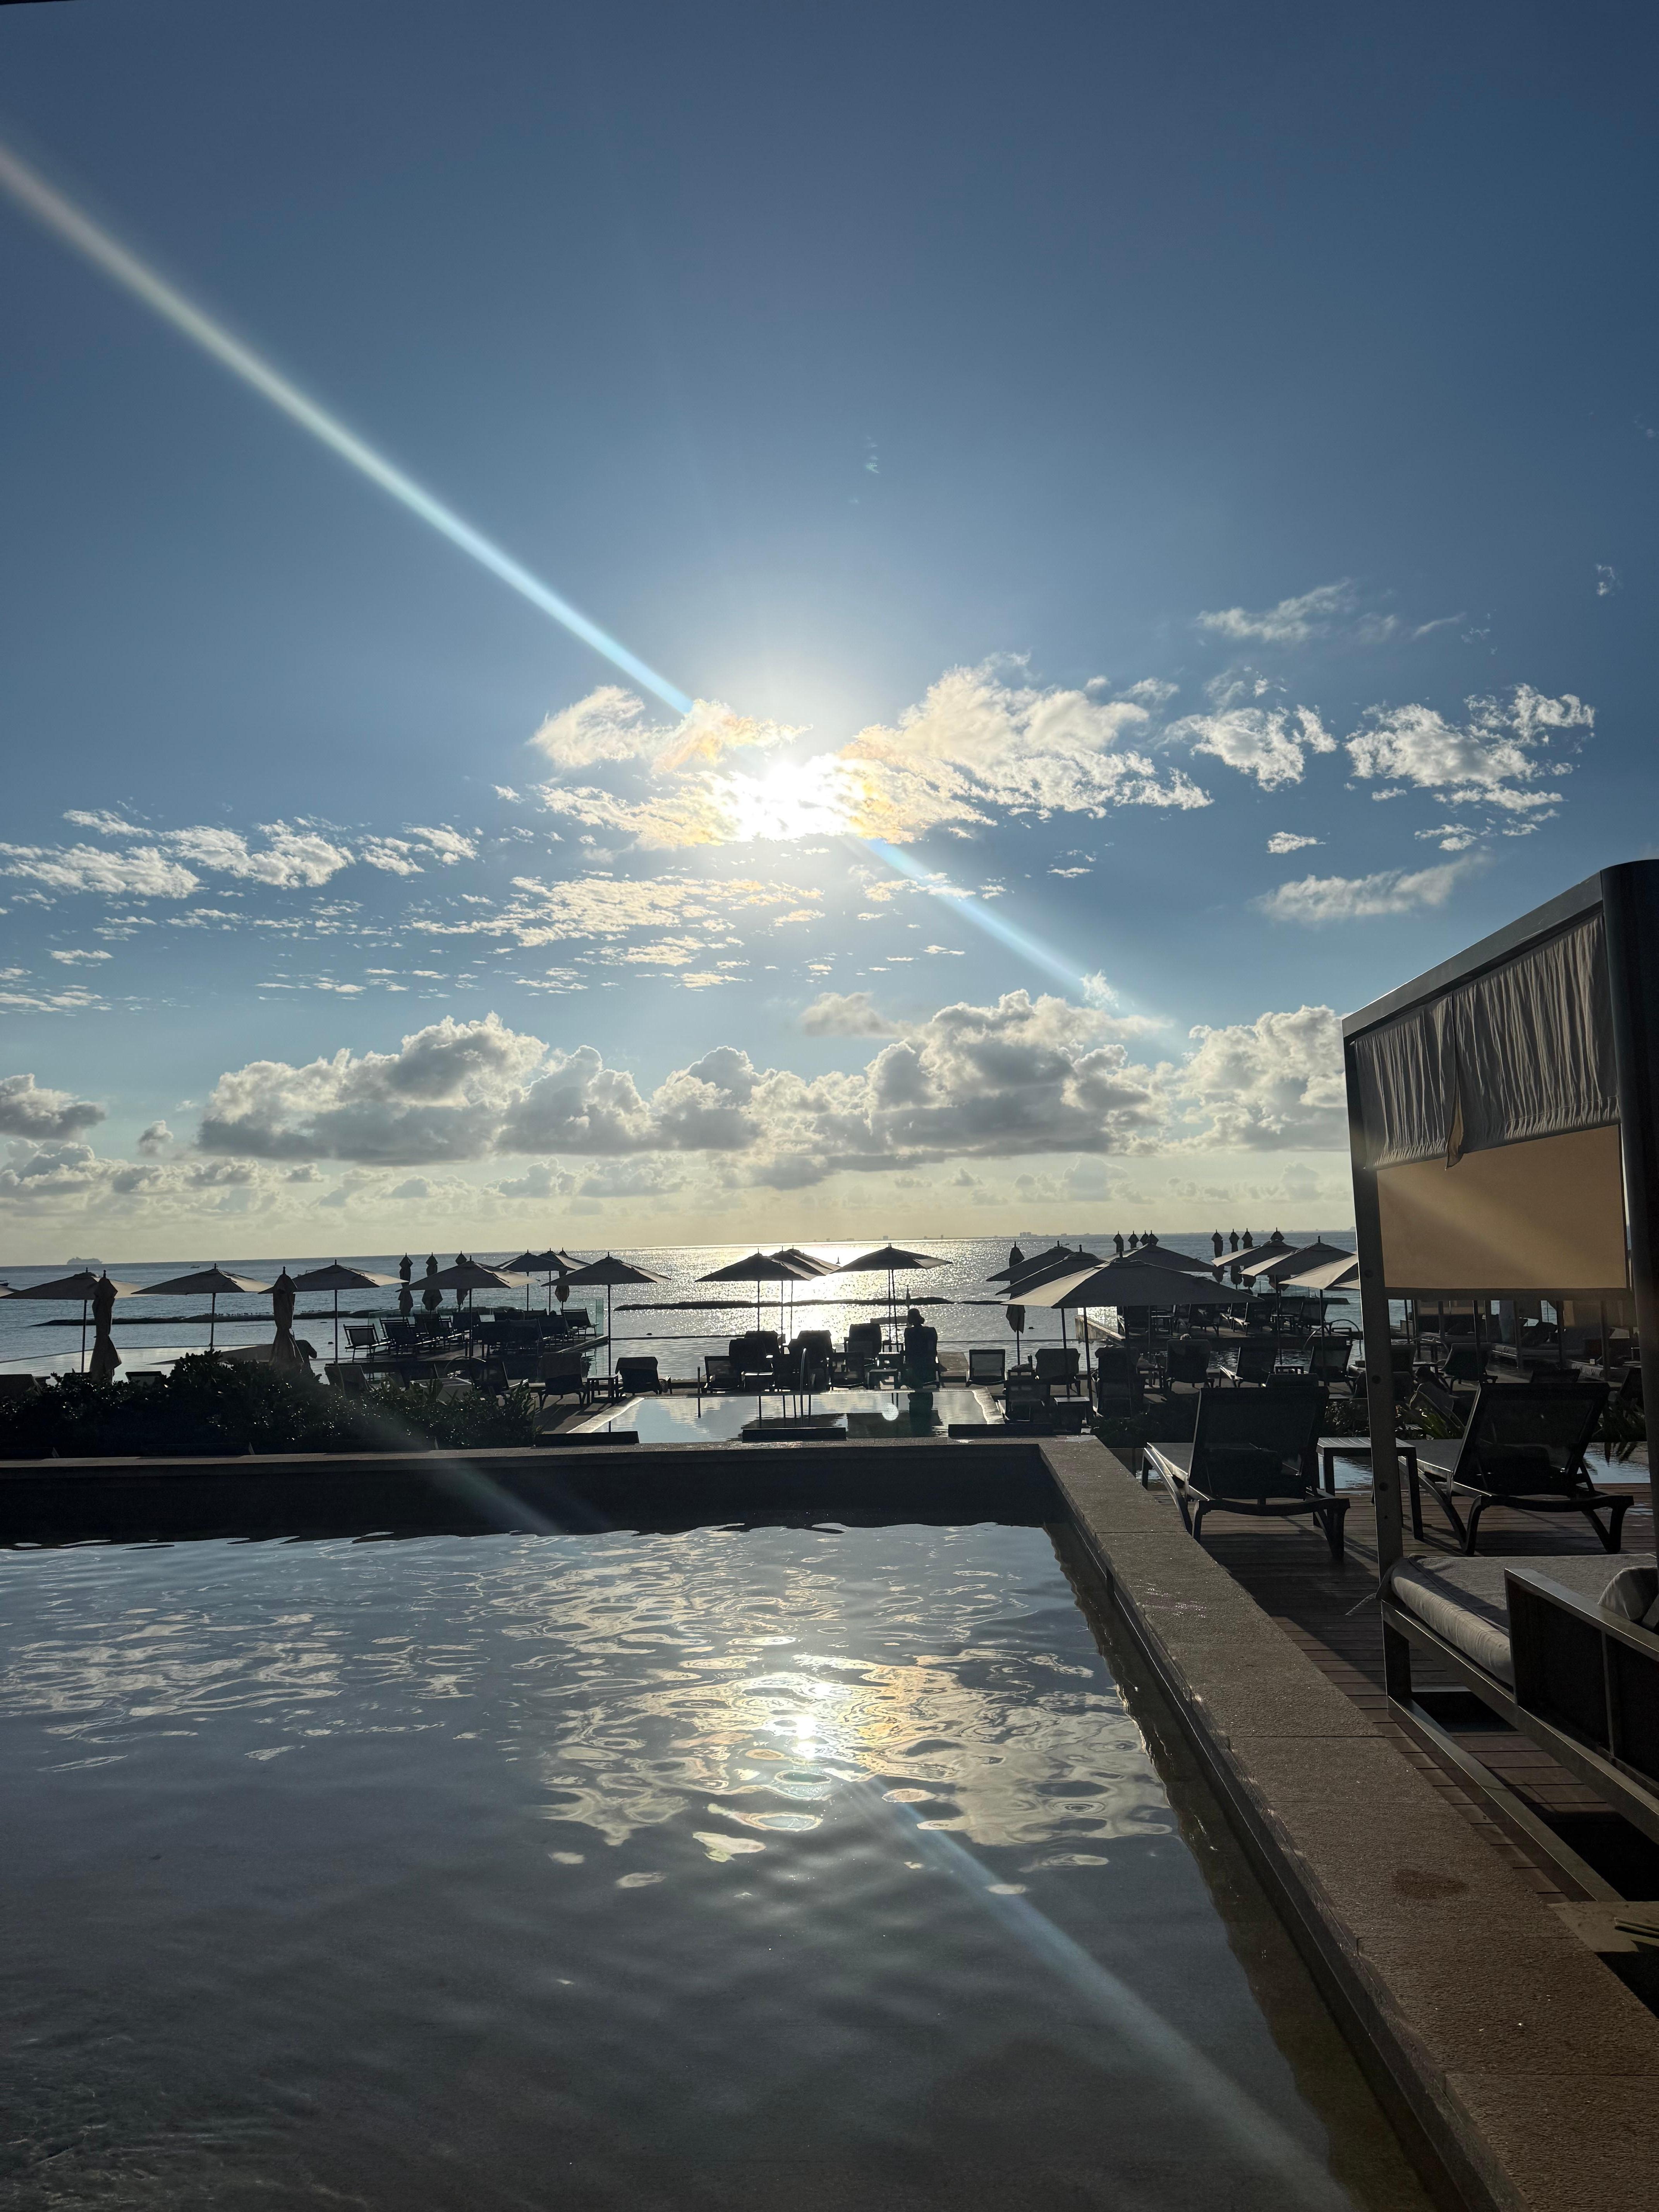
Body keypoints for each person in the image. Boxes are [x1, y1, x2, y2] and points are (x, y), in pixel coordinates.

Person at [902, 1305, 938, 1387]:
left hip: (914, 1366)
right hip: (928, 1364)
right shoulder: (930, 1331)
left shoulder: (909, 1333)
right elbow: (933, 1350)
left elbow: (908, 1350)